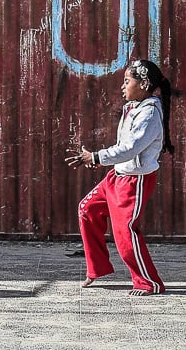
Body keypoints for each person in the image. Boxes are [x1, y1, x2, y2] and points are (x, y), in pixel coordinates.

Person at [65, 59, 174, 296]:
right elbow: (123, 147)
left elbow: (131, 148)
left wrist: (95, 157)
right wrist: (102, 161)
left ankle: (149, 283)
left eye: (127, 81)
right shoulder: (133, 108)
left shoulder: (149, 114)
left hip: (134, 182)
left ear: (144, 84)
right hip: (117, 176)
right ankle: (98, 268)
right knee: (87, 209)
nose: (122, 86)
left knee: (125, 232)